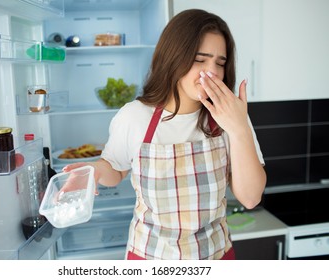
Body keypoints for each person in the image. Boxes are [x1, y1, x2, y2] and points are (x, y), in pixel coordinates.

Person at [63, 9, 266, 260]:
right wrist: (93, 172)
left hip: (215, 256)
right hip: (150, 257)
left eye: (220, 63)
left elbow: (251, 197)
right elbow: (115, 170)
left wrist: (239, 128)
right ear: (174, 57)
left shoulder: (231, 118)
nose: (211, 71)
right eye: (200, 60)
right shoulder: (135, 116)